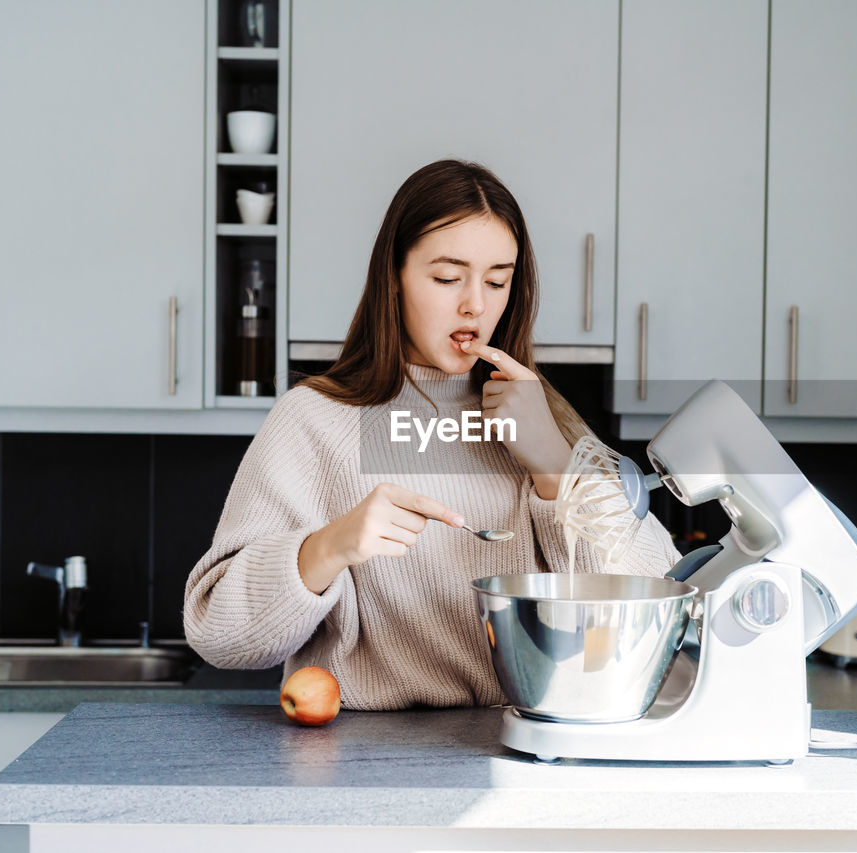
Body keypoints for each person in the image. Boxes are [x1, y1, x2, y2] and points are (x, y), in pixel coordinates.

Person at [184, 159, 681, 711]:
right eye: (447, 278)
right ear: (393, 278)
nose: (476, 303)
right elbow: (218, 634)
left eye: (498, 280)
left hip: (523, 750)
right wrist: (331, 545)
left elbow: (659, 597)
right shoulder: (314, 421)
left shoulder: (542, 417)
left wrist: (554, 463)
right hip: (362, 760)